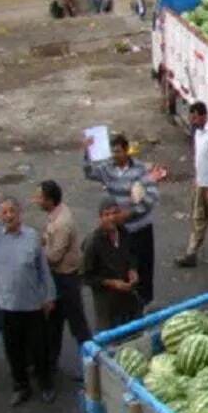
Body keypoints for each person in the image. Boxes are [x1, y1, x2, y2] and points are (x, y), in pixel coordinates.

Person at [0, 194, 55, 406]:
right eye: (4, 212)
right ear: (0, 216)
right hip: (7, 305)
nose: (8, 216)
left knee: (38, 348)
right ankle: (21, 387)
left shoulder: (32, 236)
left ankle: (46, 385)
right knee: (13, 350)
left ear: (20, 214)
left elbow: (43, 269)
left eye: (12, 211)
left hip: (32, 304)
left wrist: (49, 296)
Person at [83, 133, 159, 309]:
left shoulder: (140, 169)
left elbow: (152, 197)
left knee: (144, 270)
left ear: (126, 151)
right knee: (124, 270)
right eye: (112, 152)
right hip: (121, 232)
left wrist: (130, 213)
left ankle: (147, 307)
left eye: (118, 151)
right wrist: (86, 151)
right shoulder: (107, 169)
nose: (114, 155)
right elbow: (88, 172)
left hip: (141, 228)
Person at [34, 181, 89, 376]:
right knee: (53, 323)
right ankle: (51, 363)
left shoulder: (61, 223)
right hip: (59, 277)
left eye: (40, 197)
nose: (36, 200)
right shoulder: (57, 215)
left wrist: (36, 254)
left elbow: (54, 257)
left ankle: (90, 368)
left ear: (49, 200)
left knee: (78, 325)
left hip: (65, 278)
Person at [82, 199, 140, 332]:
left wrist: (133, 269)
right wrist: (112, 283)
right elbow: (86, 277)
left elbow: (132, 253)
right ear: (100, 218)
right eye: (107, 214)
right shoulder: (93, 243)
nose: (112, 218)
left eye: (115, 213)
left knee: (131, 334)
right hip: (107, 304)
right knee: (110, 339)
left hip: (127, 298)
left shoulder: (123, 232)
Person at [175, 102, 208, 268]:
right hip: (201, 183)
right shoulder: (198, 133)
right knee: (198, 218)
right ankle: (191, 253)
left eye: (194, 117)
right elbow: (199, 157)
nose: (192, 121)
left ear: (202, 115)